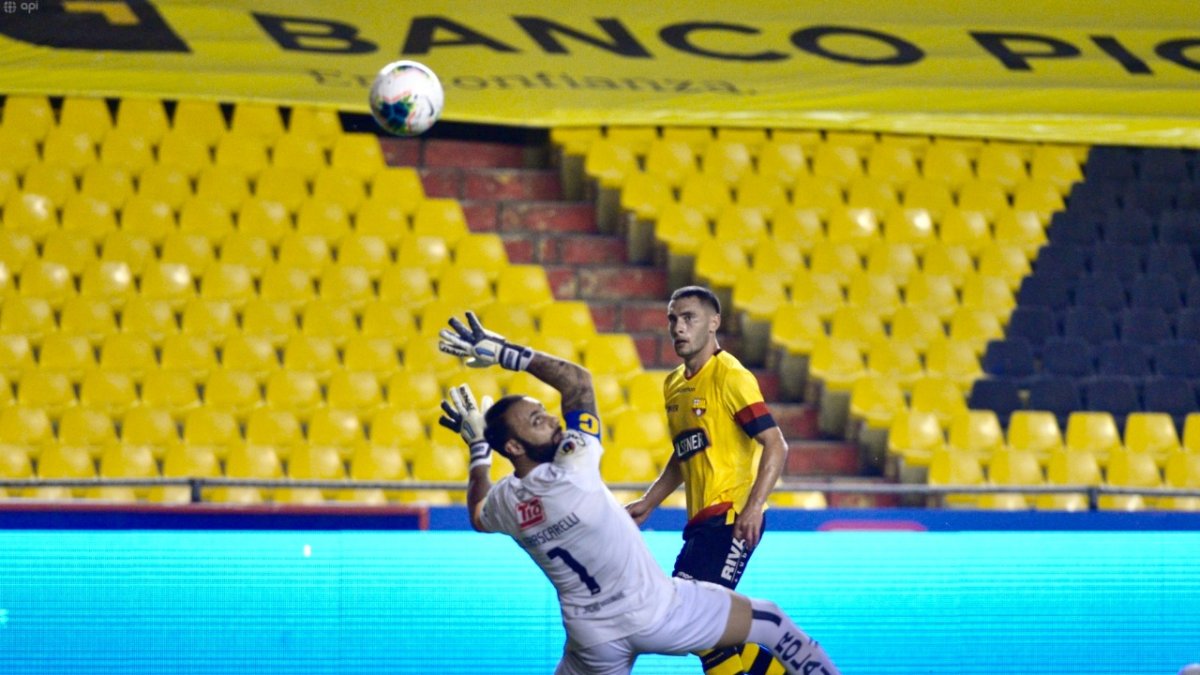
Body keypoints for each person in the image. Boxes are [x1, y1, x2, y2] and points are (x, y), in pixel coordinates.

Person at [437, 311, 840, 675]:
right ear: (514, 447)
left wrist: (478, 450)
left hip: (592, 639)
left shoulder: (508, 502)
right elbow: (577, 381)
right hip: (656, 612)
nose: (548, 417)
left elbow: (477, 512)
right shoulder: (572, 467)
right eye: (534, 420)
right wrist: (506, 352)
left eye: (543, 410)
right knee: (767, 621)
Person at [625, 285, 789, 675]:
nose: (677, 328)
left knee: (699, 629)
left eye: (689, 318)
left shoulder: (731, 377)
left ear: (714, 323)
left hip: (732, 519)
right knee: (709, 630)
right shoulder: (674, 385)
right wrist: (649, 502)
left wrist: (752, 508)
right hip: (701, 525)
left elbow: (775, 444)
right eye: (672, 319)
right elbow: (686, 454)